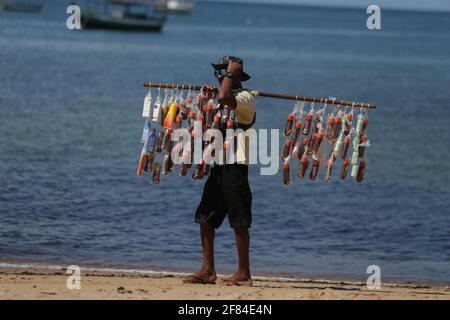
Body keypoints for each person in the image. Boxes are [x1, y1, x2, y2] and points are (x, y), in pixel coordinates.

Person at [183, 56, 256, 286]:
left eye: (223, 74)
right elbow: (210, 114)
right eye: (218, 74)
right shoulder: (220, 99)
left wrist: (228, 78)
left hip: (236, 167)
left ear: (234, 76)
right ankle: (208, 270)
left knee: (239, 219)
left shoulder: (245, 98)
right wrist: (207, 98)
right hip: (219, 166)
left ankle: (243, 274)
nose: (218, 79)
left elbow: (225, 96)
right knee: (205, 216)